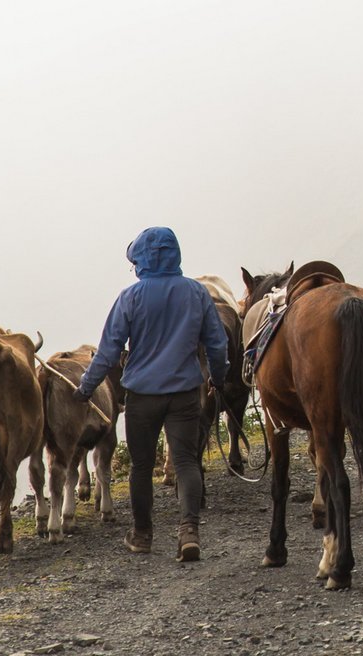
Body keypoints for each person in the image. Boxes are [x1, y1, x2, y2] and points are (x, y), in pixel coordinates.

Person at [76, 226, 228, 562]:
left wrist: (86, 389)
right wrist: (217, 378)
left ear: (141, 261)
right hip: (186, 393)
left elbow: (107, 352)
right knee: (187, 462)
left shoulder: (129, 298)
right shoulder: (197, 293)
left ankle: (142, 534)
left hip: (141, 396)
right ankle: (189, 531)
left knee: (142, 466)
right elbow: (218, 343)